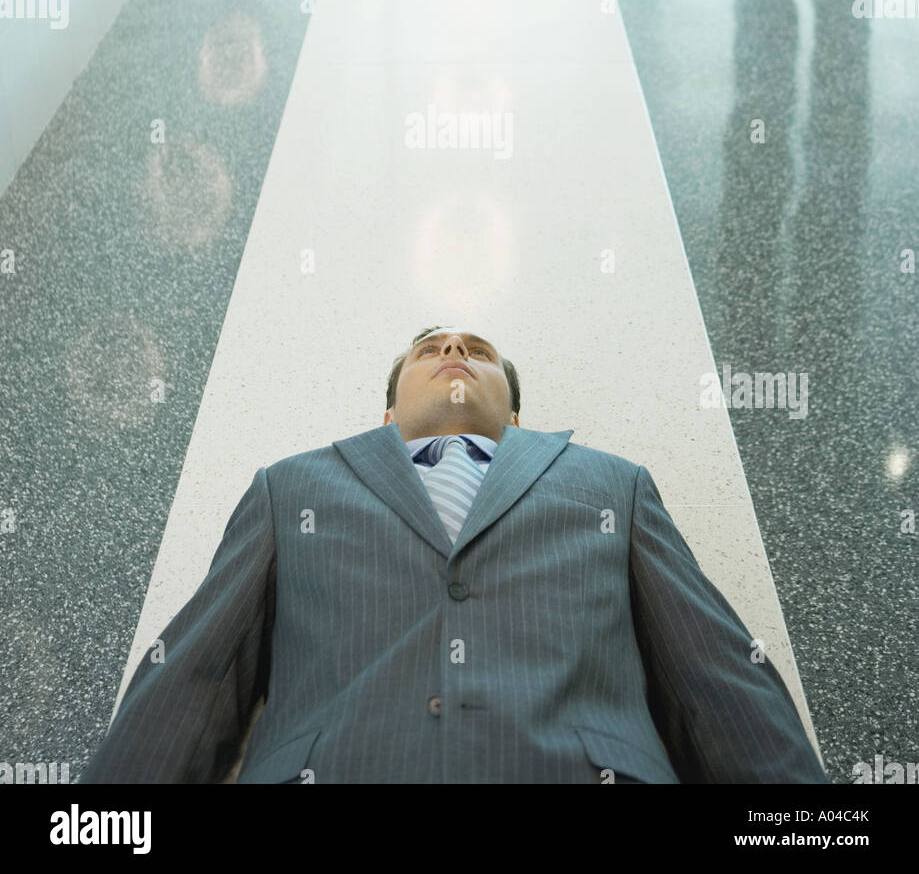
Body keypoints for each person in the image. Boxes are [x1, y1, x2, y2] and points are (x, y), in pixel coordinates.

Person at [79, 325, 831, 783]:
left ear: (513, 410)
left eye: (478, 349)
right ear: (383, 413)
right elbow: (194, 675)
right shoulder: (290, 488)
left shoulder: (613, 484)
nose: (453, 350)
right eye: (429, 349)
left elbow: (717, 675)